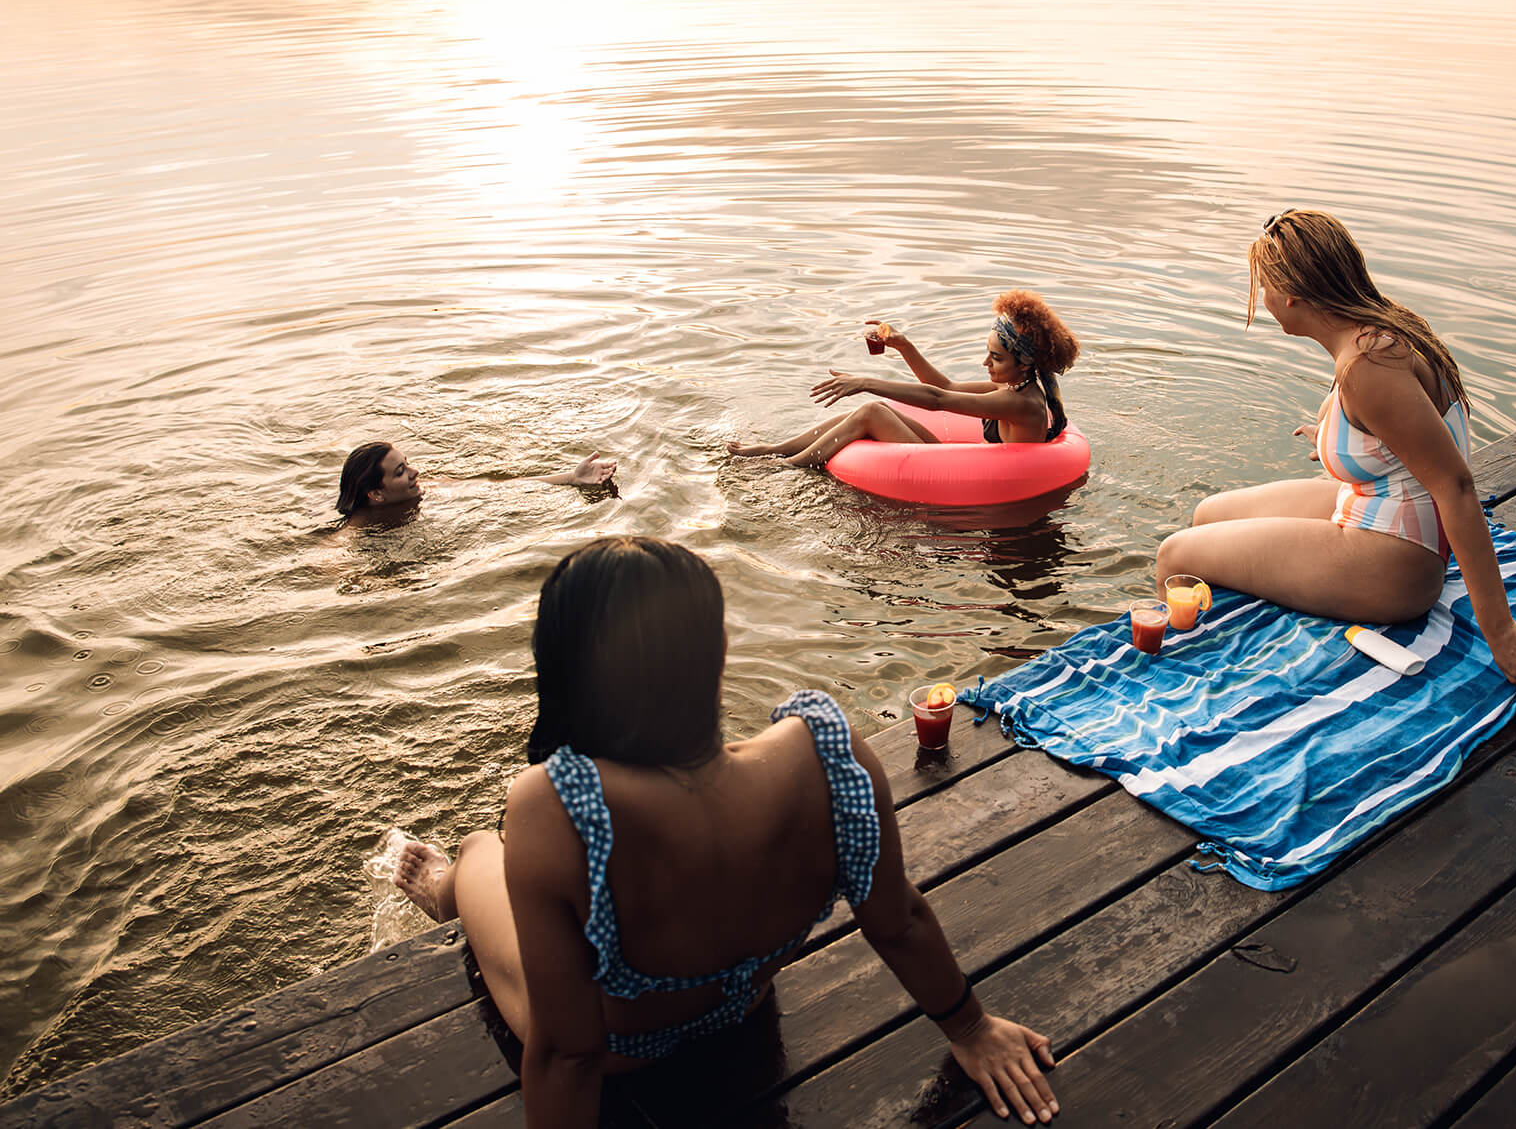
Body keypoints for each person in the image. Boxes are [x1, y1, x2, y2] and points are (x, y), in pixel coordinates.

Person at [391, 537, 1059, 1126]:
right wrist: (971, 1026)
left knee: (483, 848)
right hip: (743, 1004)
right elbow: (900, 920)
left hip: (625, 1048)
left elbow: (570, 1053)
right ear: (720, 650)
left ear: (565, 672)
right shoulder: (827, 752)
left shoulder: (554, 804)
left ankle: (448, 887)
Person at [1154, 209, 1516, 689]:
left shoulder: (1369, 365)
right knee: (1208, 514)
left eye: (1264, 287)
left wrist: (1501, 630)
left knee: (1175, 557)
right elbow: (1397, 433)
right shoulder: (1383, 328)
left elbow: (1456, 486)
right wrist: (1333, 439)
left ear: (1291, 293)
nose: (1263, 300)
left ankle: (1182, 680)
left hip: (1398, 561)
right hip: (1376, 511)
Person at [725, 289, 1079, 467]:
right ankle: (773, 450)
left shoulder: (1021, 402)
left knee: (872, 411)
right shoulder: (1014, 384)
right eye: (988, 352)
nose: (985, 362)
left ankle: (787, 467)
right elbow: (946, 387)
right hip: (971, 463)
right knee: (878, 410)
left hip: (977, 479)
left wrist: (865, 382)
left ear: (1025, 363)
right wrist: (904, 345)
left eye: (996, 358)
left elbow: (938, 401)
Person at [336, 442, 617, 520]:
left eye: (407, 463)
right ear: (376, 495)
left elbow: (501, 488)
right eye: (400, 472)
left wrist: (572, 478)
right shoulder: (358, 530)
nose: (415, 472)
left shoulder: (428, 489)